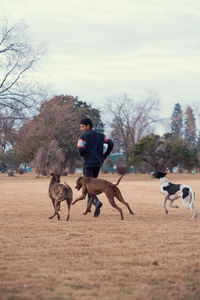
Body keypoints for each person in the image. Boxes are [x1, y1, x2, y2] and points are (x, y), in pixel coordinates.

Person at [77, 117, 114, 217]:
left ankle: (97, 203)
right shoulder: (101, 135)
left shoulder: (83, 136)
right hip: (98, 163)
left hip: (88, 164)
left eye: (82, 126)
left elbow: (80, 149)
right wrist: (104, 155)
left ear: (88, 126)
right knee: (92, 185)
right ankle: (88, 208)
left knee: (89, 187)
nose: (81, 128)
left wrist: (83, 154)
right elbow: (110, 143)